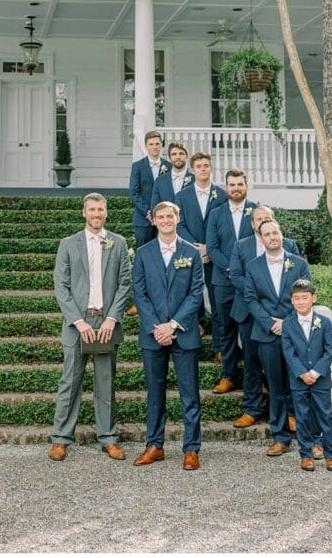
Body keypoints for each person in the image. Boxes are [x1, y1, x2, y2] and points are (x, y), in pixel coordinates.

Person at [47, 193, 131, 462]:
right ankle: (61, 439)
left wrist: (112, 318)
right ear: (84, 213)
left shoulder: (117, 243)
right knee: (70, 381)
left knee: (105, 382)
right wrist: (78, 321)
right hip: (77, 323)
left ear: (106, 212)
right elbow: (61, 286)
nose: (96, 214)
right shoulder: (68, 244)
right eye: (92, 209)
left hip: (106, 322)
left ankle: (108, 437)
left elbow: (124, 284)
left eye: (101, 209)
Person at [132, 201, 204, 471]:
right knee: (154, 392)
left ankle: (191, 448)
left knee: (189, 394)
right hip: (153, 335)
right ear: (154, 221)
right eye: (160, 216)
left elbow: (196, 293)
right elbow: (140, 293)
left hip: (182, 333)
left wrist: (172, 325)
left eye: (169, 216)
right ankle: (155, 445)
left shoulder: (192, 253)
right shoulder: (143, 253)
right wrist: (156, 327)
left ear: (177, 217)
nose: (165, 220)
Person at [228, 205, 301, 430]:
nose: (263, 222)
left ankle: (289, 413)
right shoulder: (241, 246)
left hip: (284, 318)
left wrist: (281, 315)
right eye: (259, 219)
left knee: (288, 365)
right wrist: (260, 293)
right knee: (251, 362)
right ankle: (251, 408)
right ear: (253, 225)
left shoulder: (288, 245)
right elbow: (236, 275)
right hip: (251, 314)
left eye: (267, 219)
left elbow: (297, 282)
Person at [244, 219, 311, 457]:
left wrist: (289, 323)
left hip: (295, 334)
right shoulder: (253, 266)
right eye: (267, 234)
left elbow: (305, 295)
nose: (272, 237)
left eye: (276, 232)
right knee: (275, 387)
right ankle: (280, 437)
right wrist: (271, 323)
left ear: (281, 235)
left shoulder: (299, 263)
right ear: (261, 238)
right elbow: (251, 300)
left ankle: (309, 439)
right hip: (267, 335)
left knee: (301, 387)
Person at [204, 168, 256, 393]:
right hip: (223, 281)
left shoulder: (256, 211)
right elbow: (212, 249)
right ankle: (229, 376)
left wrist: (242, 274)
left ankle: (257, 379)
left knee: (251, 330)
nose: (236, 189)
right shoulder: (216, 213)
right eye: (232, 185)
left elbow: (260, 245)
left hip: (250, 282)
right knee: (225, 329)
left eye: (240, 184)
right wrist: (231, 270)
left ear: (246, 185)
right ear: (226, 187)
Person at [280, 279, 332, 472]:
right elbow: (288, 351)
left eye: (305, 298)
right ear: (291, 301)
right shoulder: (288, 324)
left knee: (325, 416)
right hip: (299, 379)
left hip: (320, 379)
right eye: (296, 298)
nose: (301, 302)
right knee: (302, 416)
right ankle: (306, 453)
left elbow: (329, 350)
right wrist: (302, 373)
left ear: (314, 298)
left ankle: (331, 454)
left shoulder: (325, 323)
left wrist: (315, 372)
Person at [175, 151, 227, 356]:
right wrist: (197, 248)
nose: (203, 169)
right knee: (192, 294)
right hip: (190, 253)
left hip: (214, 256)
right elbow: (180, 225)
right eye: (199, 166)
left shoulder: (222, 195)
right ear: (193, 170)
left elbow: (225, 226)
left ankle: (219, 347)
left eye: (206, 165)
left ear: (211, 168)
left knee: (216, 300)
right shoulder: (182, 195)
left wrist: (209, 248)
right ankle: (194, 333)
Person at [129, 130, 169, 249]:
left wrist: (160, 213)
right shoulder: (138, 166)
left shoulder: (169, 166)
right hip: (143, 219)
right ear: (146, 146)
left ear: (161, 145)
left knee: (163, 251)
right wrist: (148, 212)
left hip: (164, 218)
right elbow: (134, 192)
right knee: (142, 252)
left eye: (157, 144)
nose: (154, 147)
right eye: (151, 144)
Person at [149, 141, 191, 211]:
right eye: (174, 154)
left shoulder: (196, 179)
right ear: (169, 158)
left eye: (181, 154)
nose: (178, 157)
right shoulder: (159, 181)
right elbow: (155, 208)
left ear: (186, 156)